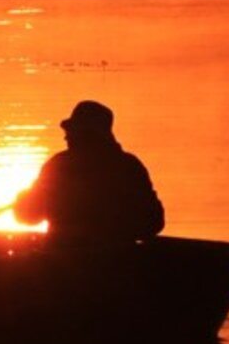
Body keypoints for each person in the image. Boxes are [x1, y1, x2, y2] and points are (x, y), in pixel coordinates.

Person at [14, 101, 164, 243]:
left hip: (63, 259)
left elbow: (28, 215)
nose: (66, 136)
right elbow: (154, 222)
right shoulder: (130, 166)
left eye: (71, 131)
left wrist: (21, 200)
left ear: (85, 133)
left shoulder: (59, 166)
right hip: (119, 260)